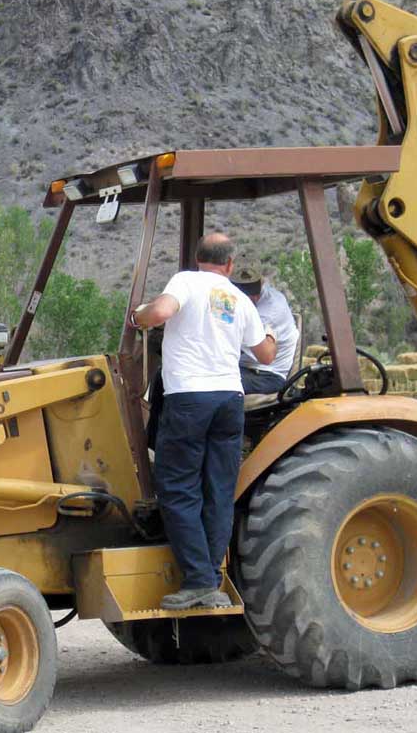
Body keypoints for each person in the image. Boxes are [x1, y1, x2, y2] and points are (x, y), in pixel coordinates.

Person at [130, 233, 277, 610]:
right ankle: (211, 575)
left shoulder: (186, 281)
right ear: (229, 264)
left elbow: (160, 313)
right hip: (230, 399)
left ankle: (198, 580)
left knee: (179, 488)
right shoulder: (240, 299)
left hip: (189, 398)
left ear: (198, 259)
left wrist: (137, 315)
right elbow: (264, 354)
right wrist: (272, 332)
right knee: (219, 489)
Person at [230, 268, 300, 395]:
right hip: (244, 367)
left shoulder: (270, 312)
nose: (253, 299)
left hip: (267, 374)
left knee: (215, 382)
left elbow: (264, 355)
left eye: (253, 294)